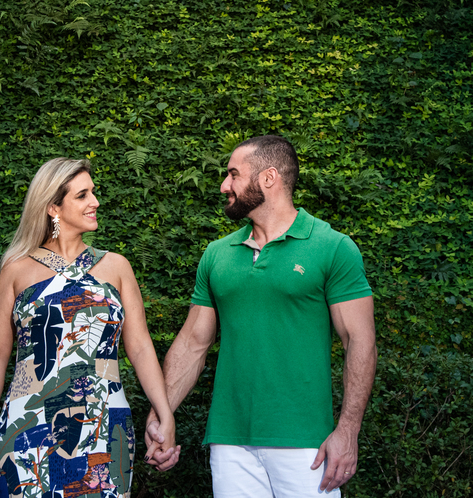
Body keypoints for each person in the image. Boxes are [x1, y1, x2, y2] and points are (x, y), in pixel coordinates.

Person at [145, 135, 377, 497]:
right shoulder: (218, 255)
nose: (225, 186)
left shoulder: (332, 247)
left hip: (307, 443)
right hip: (229, 440)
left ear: (269, 178)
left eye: (234, 175)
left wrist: (347, 431)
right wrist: (162, 414)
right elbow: (193, 343)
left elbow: (359, 342)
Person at [0, 157, 179, 497]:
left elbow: (141, 346)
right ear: (53, 207)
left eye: (93, 193)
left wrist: (164, 413)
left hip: (104, 423)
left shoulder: (115, 267)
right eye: (83, 195)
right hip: (29, 426)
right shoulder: (16, 271)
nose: (95, 202)